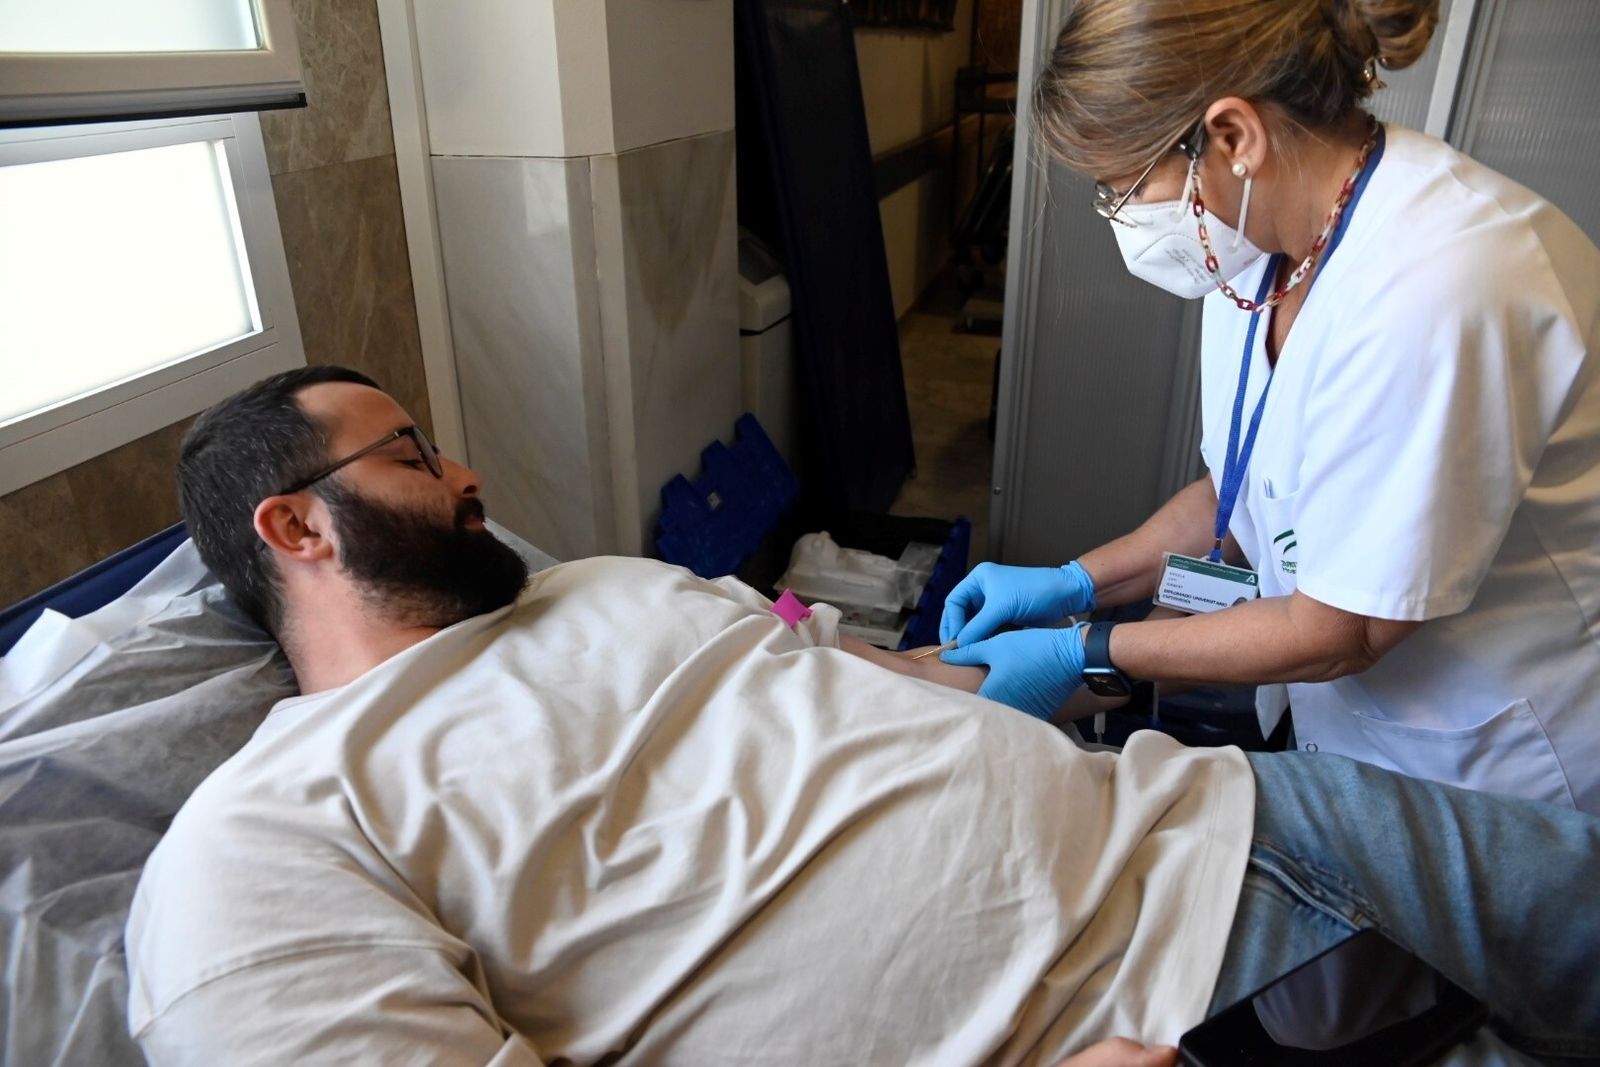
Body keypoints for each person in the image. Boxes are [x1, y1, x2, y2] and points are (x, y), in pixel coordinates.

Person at [123, 367, 1599, 1065]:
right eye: (414, 452)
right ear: (295, 527)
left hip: (1221, 824)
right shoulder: (261, 844)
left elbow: (868, 678)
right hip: (1083, 1031)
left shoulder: (609, 587)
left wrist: (1073, 645)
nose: (466, 479)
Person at [938, 0, 1600, 813]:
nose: (1121, 217)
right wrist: (1076, 581)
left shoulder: (1443, 285)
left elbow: (1346, 628)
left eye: (1125, 187)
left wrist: (1092, 647)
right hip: (1350, 727)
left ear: (1233, 138)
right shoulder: (1259, 250)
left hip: (1497, 762)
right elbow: (1238, 494)